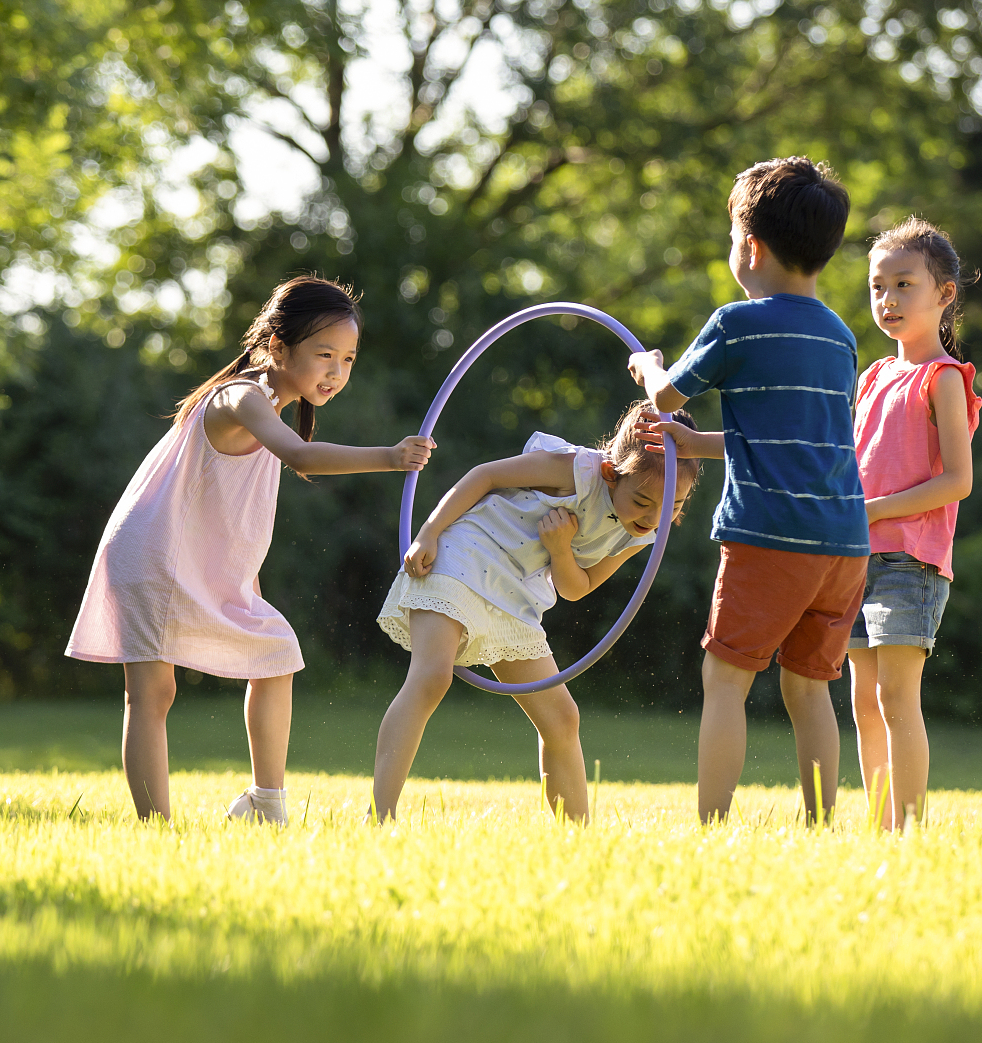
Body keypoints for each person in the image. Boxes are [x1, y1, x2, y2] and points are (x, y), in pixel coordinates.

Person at [67, 276, 434, 823]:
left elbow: (232, 517)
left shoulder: (269, 409)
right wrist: (391, 455)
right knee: (152, 692)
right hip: (153, 553)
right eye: (324, 354)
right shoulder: (242, 398)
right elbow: (302, 458)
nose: (336, 371)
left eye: (348, 359)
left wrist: (244, 583)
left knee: (275, 655)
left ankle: (266, 804)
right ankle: (156, 829)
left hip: (194, 561)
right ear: (278, 347)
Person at [629, 155, 867, 825]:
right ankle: (819, 823)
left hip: (769, 536)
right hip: (845, 541)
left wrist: (648, 365)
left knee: (725, 680)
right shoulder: (841, 337)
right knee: (809, 686)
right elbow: (793, 439)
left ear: (750, 246)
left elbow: (668, 395)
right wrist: (697, 444)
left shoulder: (737, 323)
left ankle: (712, 825)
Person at [370, 401, 701, 824]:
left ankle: (579, 840)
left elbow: (576, 587)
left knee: (562, 718)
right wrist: (429, 533)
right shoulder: (576, 470)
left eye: (673, 506)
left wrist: (561, 550)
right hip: (464, 554)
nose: (654, 518)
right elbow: (486, 475)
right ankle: (379, 816)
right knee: (432, 676)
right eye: (642, 501)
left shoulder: (641, 536)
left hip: (516, 592)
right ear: (610, 473)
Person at [846, 219, 981, 830]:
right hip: (853, 559)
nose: (888, 300)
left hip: (910, 563)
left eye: (904, 284)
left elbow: (958, 480)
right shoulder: (873, 376)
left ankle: (908, 829)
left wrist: (872, 511)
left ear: (944, 294)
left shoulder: (944, 378)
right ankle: (880, 826)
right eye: (878, 287)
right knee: (862, 703)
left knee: (896, 699)